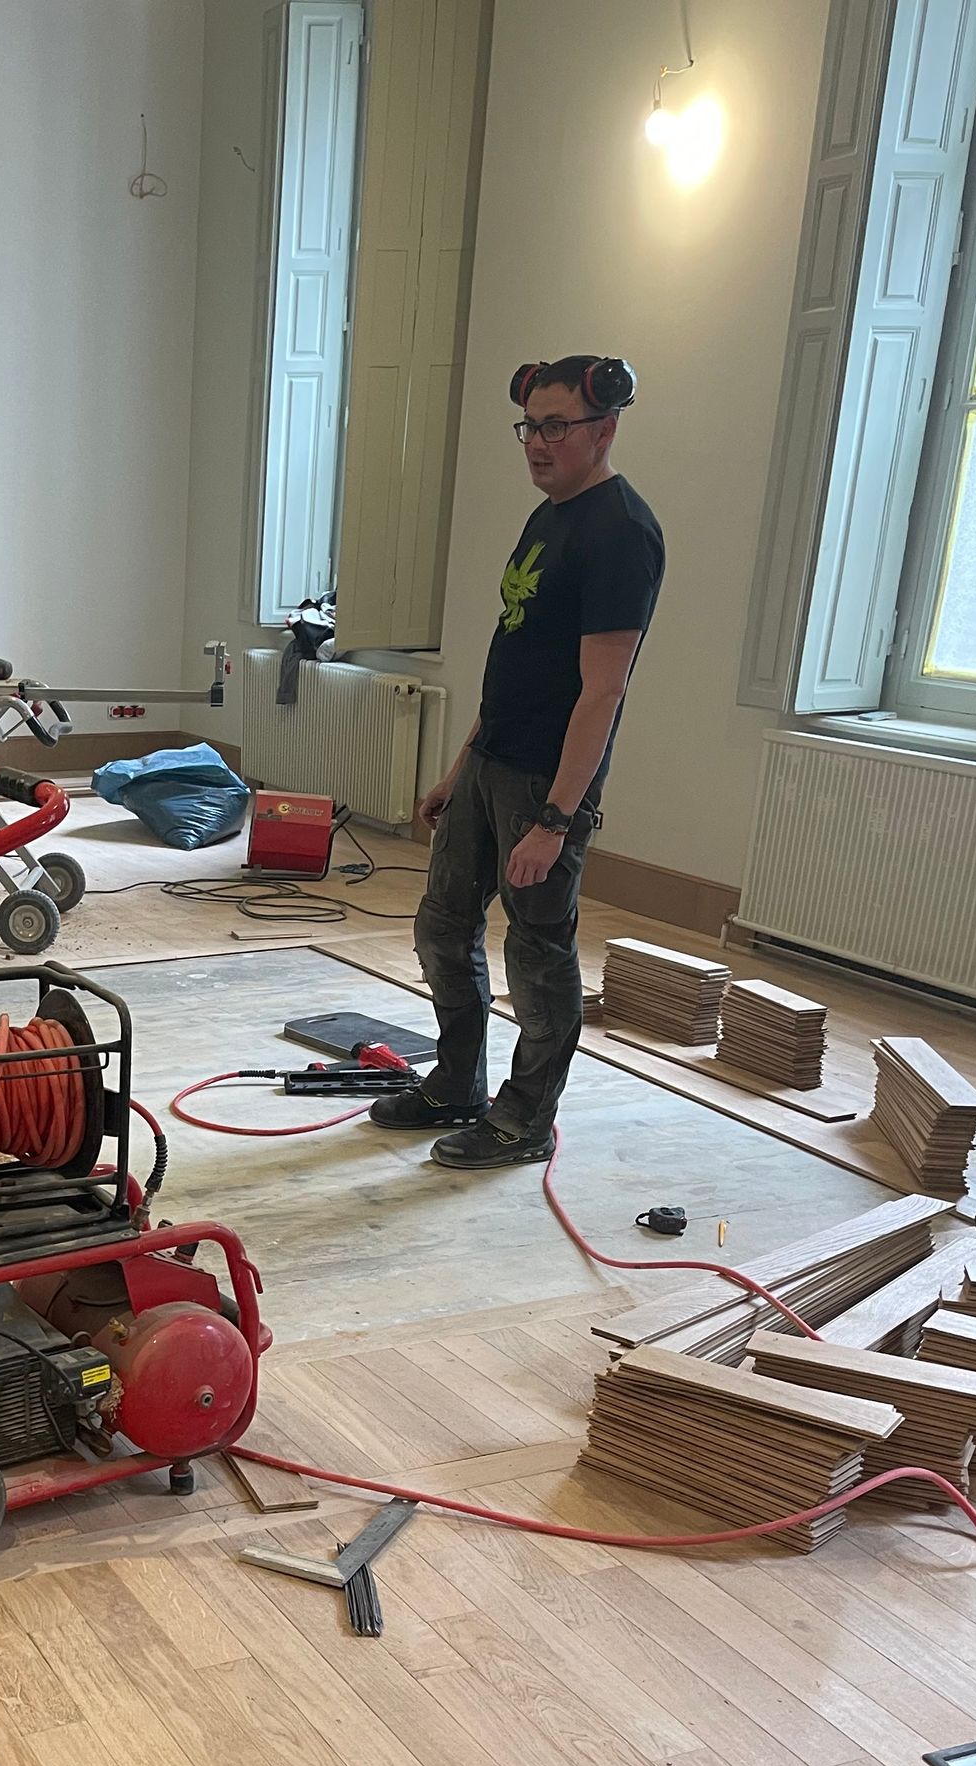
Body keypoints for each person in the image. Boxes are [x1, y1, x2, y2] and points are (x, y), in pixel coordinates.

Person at [374, 355, 665, 1168]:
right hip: (492, 763)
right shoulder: (548, 516)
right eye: (530, 426)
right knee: (442, 928)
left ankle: (525, 1119)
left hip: (546, 784)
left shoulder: (621, 534)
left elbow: (601, 693)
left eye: (557, 426)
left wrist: (554, 821)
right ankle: (456, 1084)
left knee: (536, 959)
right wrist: (459, 768)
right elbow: (516, 663)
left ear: (604, 429)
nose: (538, 443)